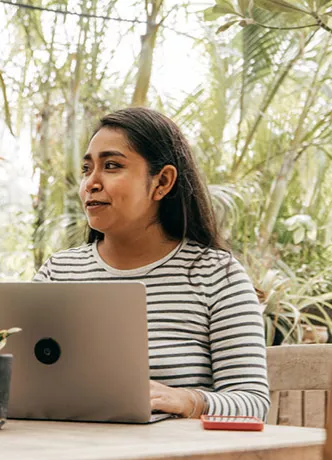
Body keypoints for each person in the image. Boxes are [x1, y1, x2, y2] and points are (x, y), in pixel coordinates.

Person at [34, 107, 269, 420]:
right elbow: (24, 384)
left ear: (162, 182)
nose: (91, 183)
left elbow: (254, 404)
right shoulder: (57, 273)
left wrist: (190, 401)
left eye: (112, 166)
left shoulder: (217, 276)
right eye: (86, 169)